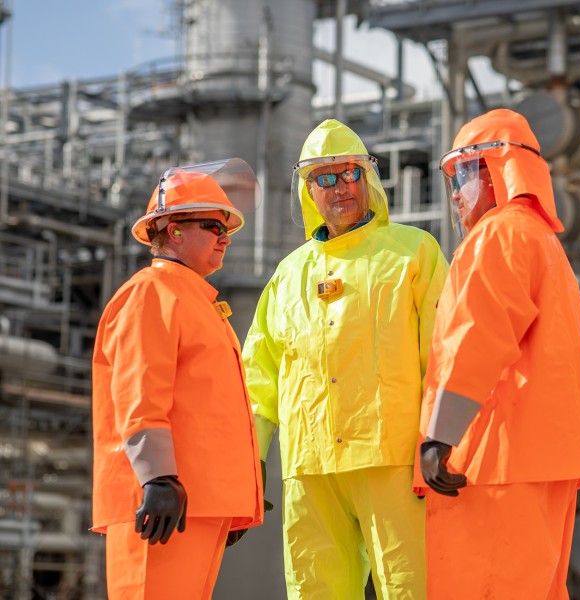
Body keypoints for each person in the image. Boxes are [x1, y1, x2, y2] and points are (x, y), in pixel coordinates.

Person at [242, 119, 448, 599]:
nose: (341, 188)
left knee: (412, 587)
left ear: (369, 178)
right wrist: (248, 464)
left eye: (350, 173)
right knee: (315, 591)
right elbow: (258, 380)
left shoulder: (413, 253)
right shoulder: (287, 276)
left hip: (392, 460)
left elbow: (441, 355)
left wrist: (440, 437)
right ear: (307, 189)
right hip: (308, 468)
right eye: (325, 178)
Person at [414, 108, 580, 598]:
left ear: (496, 169)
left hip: (494, 461)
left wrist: (440, 436)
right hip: (540, 463)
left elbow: (478, 338)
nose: (455, 194)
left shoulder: (497, 236)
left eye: (461, 175)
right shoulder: (541, 240)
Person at [91, 159, 264, 599]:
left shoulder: (196, 301)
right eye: (212, 225)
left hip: (196, 504)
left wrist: (236, 494)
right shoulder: (151, 293)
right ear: (172, 228)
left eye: (227, 228)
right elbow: (139, 393)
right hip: (162, 501)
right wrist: (157, 479)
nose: (225, 237)